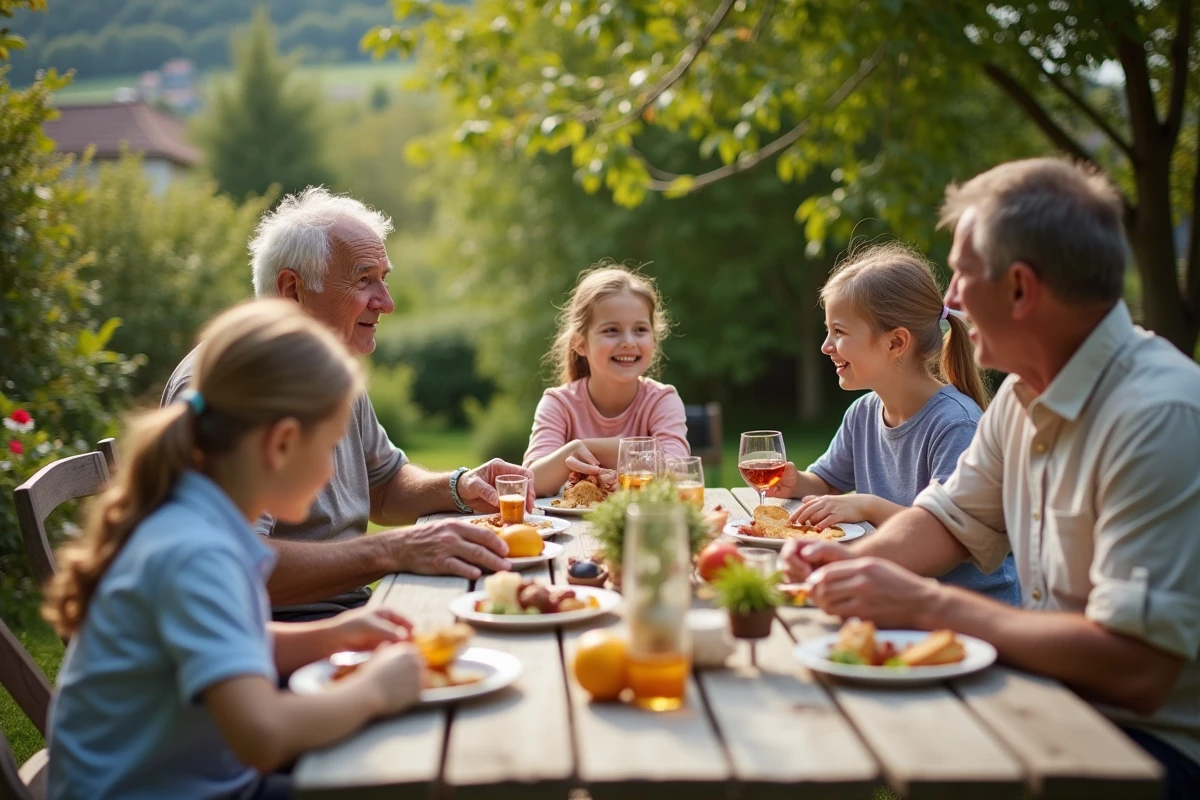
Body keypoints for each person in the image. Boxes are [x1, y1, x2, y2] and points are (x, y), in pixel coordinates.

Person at [782, 158, 1200, 798]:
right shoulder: (1020, 399)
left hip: (1144, 749)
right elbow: (945, 521)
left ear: (1020, 289)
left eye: (962, 273)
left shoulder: (1158, 416)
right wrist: (843, 569)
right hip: (1046, 699)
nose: (947, 299)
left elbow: (1136, 667)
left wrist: (927, 604)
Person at [45, 300, 424, 800]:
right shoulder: (197, 552)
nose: (334, 473)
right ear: (282, 443)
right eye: (330, 446)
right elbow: (263, 737)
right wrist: (375, 690)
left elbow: (227, 642)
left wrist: (335, 635)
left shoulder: (197, 518)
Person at [162, 188, 534, 622]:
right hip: (270, 631)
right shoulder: (231, 388)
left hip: (342, 611)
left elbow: (384, 483)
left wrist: (459, 485)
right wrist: (392, 550)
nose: (387, 303)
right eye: (363, 280)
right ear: (292, 289)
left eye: (384, 277)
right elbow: (233, 563)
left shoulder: (328, 369)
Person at [768, 243, 1020, 604]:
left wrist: (868, 505)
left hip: (974, 612)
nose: (826, 346)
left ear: (896, 342)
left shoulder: (955, 424)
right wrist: (797, 481)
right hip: (896, 597)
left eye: (839, 332)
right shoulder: (863, 413)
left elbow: (950, 536)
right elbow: (826, 482)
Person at [523, 263, 690, 497]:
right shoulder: (558, 404)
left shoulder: (662, 400)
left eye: (640, 329)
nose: (629, 341)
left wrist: (589, 448)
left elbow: (678, 473)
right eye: (611, 330)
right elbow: (531, 482)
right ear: (580, 343)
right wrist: (573, 450)